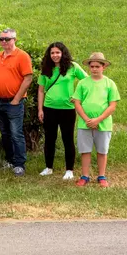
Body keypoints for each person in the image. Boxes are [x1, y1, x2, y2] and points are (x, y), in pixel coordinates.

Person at [38, 42, 87, 180]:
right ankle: (48, 168)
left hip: (68, 109)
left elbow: (86, 81)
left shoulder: (73, 67)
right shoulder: (46, 68)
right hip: (49, 108)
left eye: (57, 52)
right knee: (49, 139)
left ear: (63, 53)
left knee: (68, 139)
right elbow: (41, 90)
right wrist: (40, 109)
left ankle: (69, 170)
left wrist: (78, 97)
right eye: (52, 53)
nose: (55, 55)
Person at [73, 52, 120, 188]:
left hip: (103, 123)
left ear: (103, 67)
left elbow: (112, 106)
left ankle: (102, 176)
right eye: (92, 66)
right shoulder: (82, 83)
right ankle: (85, 176)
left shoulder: (109, 83)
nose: (94, 69)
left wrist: (98, 120)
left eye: (97, 66)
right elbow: (77, 103)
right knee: (85, 150)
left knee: (102, 150)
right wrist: (87, 119)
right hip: (84, 123)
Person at [0, 28, 33, 177]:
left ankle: (19, 164)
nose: (3, 42)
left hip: (14, 102)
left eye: (7, 39)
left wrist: (17, 99)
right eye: (1, 39)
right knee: (5, 133)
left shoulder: (22, 56)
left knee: (16, 133)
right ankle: (9, 159)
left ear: (14, 39)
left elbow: (28, 78)